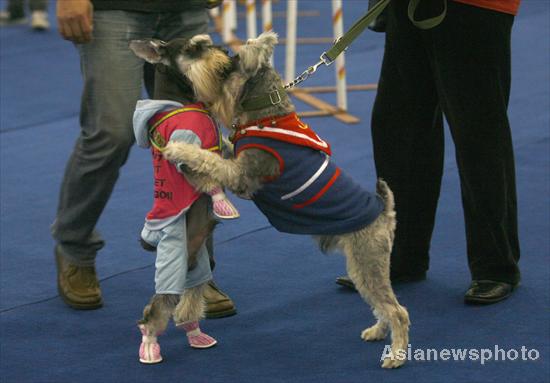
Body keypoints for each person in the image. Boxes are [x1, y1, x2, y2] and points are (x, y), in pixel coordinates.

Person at [52, 0, 236, 318]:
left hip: (186, 10)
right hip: (112, 9)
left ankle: (195, 273)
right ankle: (74, 246)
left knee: (195, 138)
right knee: (110, 134)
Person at [337, 0, 521, 305]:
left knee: (479, 135)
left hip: (476, 8)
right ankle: (402, 255)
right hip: (406, 7)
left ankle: (496, 265)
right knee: (397, 129)